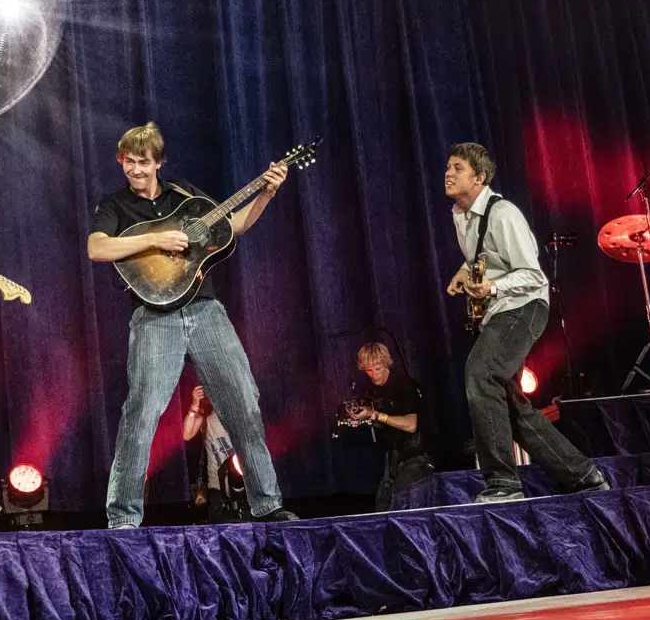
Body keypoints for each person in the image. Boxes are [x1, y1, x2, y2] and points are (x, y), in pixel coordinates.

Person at [87, 122, 298, 528]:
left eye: (143, 162)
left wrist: (267, 193)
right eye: (128, 162)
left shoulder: (183, 193)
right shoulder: (113, 205)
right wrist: (157, 240)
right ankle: (123, 518)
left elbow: (232, 226)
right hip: (154, 318)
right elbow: (98, 247)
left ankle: (267, 504)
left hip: (205, 311)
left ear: (159, 163)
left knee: (243, 402)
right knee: (141, 414)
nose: (135, 170)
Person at [444, 142, 608, 502]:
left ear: (479, 177)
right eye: (448, 167)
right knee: (508, 400)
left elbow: (533, 275)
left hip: (524, 305)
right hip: (500, 309)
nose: (448, 173)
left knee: (480, 374)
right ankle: (582, 474)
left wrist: (493, 285)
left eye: (457, 168)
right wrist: (463, 272)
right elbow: (484, 258)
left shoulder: (503, 214)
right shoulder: (461, 214)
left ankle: (503, 483)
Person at [344, 343, 435, 511]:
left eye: (378, 369)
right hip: (394, 458)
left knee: (404, 510)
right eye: (368, 371)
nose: (373, 375)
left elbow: (410, 425)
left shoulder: (403, 384)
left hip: (416, 457)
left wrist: (375, 415)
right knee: (383, 507)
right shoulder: (375, 390)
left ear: (386, 364)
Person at [181, 385, 247, 521]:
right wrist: (194, 404)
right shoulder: (206, 415)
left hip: (244, 485)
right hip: (217, 488)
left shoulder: (240, 413)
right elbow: (186, 435)